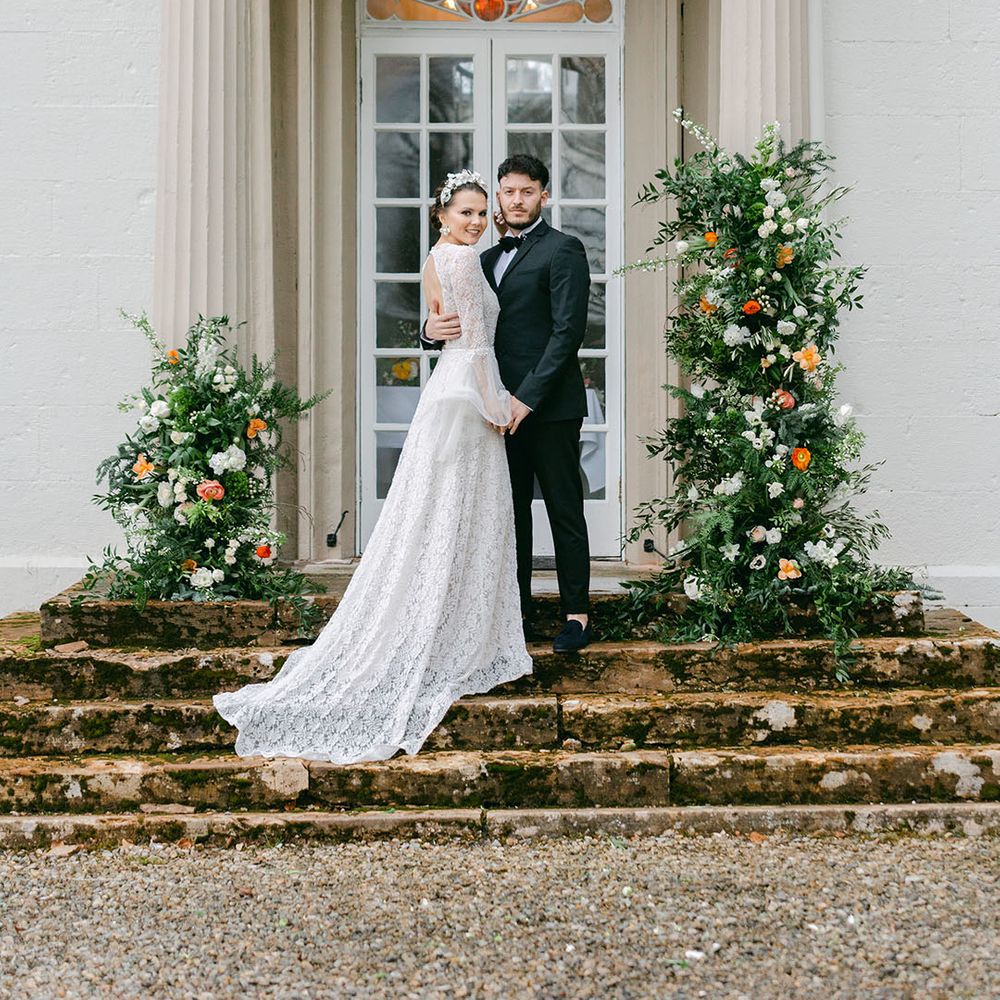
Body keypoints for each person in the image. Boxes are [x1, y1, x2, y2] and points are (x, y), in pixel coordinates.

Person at [213, 170, 532, 764]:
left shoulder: (440, 259)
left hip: (448, 391)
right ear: (442, 216)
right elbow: (476, 346)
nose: (477, 221)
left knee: (438, 512)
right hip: (468, 396)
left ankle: (441, 624)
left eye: (482, 213)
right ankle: (452, 633)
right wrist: (498, 406)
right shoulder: (462, 262)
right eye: (466, 212)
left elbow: (446, 333)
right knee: (457, 511)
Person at [422, 154, 592, 653]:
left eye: (526, 191)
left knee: (564, 509)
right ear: (499, 196)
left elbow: (567, 333)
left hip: (548, 405)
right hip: (490, 409)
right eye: (508, 191)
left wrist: (526, 398)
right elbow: (459, 321)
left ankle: (576, 615)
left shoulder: (565, 250)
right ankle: (512, 615)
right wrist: (429, 332)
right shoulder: (481, 256)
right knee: (508, 513)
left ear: (543, 195)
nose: (516, 200)